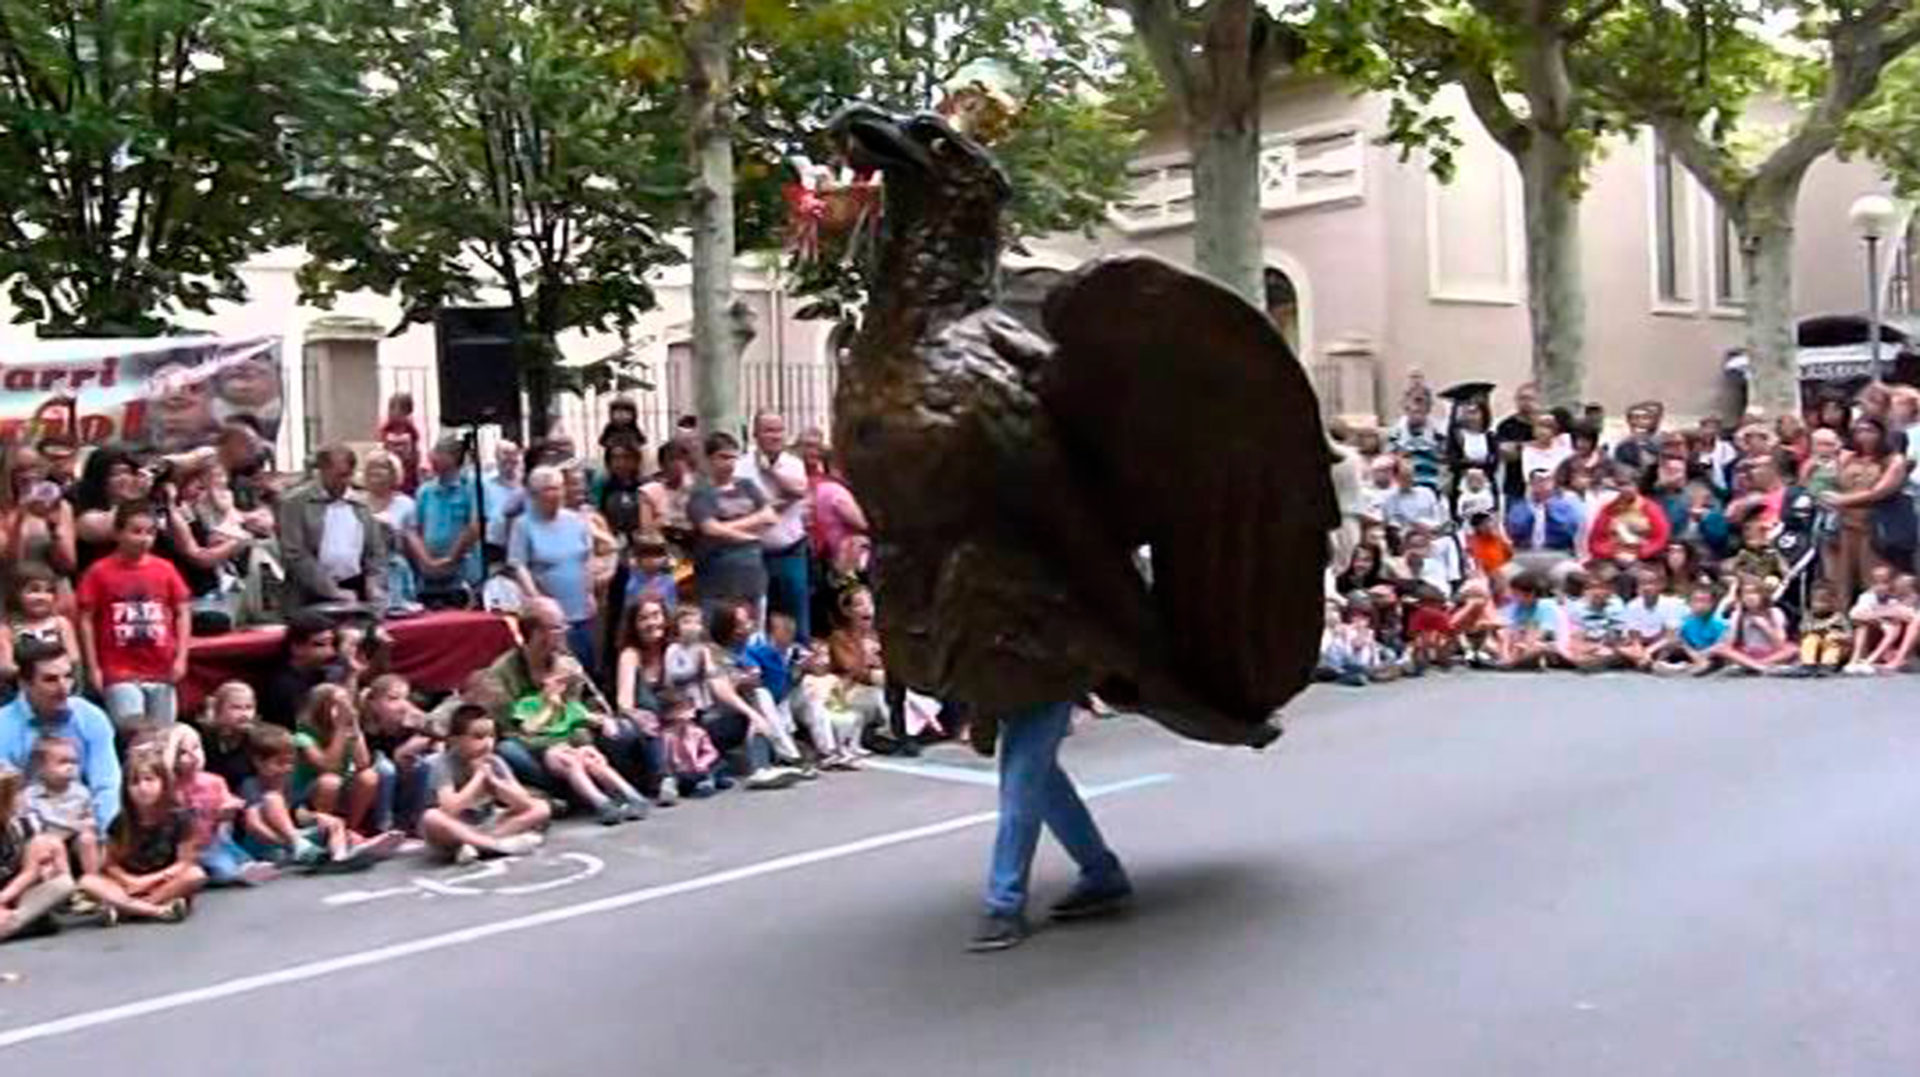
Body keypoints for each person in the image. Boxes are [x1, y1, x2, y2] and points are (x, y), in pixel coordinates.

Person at [969, 695, 1133, 952]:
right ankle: (1102, 872)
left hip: (1046, 682)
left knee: (1021, 783)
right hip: (1020, 687)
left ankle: (1004, 904)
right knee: (1042, 782)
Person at [75, 503, 192, 731]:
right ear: (118, 533)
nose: (144, 539)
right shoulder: (99, 572)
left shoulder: (165, 569)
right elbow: (86, 620)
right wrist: (94, 668)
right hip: (119, 670)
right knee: (132, 732)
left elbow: (182, 611)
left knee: (163, 734)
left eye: (150, 533)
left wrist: (181, 657)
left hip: (161, 668)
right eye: (136, 531)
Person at [505, 655, 649, 825]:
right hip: (542, 752)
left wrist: (606, 723)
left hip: (569, 748)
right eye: (558, 681)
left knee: (591, 759)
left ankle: (632, 796)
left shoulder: (571, 707)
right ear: (545, 679)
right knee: (566, 759)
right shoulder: (528, 703)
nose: (561, 688)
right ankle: (601, 803)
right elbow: (529, 729)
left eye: (566, 683)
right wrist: (550, 707)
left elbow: (594, 718)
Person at [0, 642, 121, 830]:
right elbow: (5, 798)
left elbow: (107, 786)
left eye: (68, 677)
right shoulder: (3, 725)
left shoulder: (90, 716)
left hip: (80, 822)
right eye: (51, 679)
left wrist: (103, 834)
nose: (64, 687)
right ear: (25, 684)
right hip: (23, 825)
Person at [78, 745, 202, 925]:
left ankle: (131, 910)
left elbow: (185, 862)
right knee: (88, 881)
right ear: (126, 789)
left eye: (149, 780)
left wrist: (150, 880)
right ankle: (156, 910)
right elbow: (110, 864)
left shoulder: (180, 818)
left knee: (195, 875)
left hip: (164, 882)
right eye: (135, 783)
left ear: (163, 783)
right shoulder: (120, 821)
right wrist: (130, 881)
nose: (143, 788)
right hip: (128, 885)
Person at [419, 704, 551, 862]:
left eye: (491, 736)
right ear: (456, 740)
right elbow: (450, 809)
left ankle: (479, 845)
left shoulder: (495, 761)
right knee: (431, 817)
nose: (488, 743)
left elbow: (524, 802)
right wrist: (479, 777)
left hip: (488, 824)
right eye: (479, 737)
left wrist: (496, 783)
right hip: (456, 829)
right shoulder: (442, 763)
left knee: (541, 807)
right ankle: (494, 845)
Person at [277, 444, 389, 613]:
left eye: (347, 475)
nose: (343, 482)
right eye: (338, 476)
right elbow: (295, 554)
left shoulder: (362, 504)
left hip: (355, 586)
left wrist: (374, 584)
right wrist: (331, 591)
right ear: (322, 471)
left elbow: (375, 551)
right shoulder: (295, 503)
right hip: (308, 593)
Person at [508, 466, 598, 671]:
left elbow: (586, 558)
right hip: (548, 619)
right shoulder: (523, 525)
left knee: (585, 667)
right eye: (549, 489)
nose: (556, 494)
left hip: (580, 611)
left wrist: (590, 592)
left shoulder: (576, 521)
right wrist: (537, 601)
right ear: (534, 495)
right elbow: (518, 565)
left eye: (559, 488)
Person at [737, 411, 815, 642]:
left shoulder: (793, 464)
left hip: (790, 548)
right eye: (768, 430)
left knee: (796, 608)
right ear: (755, 434)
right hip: (754, 551)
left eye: (779, 430)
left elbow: (799, 490)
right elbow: (744, 506)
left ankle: (800, 656)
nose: (775, 436)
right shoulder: (741, 467)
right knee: (758, 612)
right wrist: (777, 503)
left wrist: (770, 472)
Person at [165, 724, 274, 887]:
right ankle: (222, 873)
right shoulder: (170, 786)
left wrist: (228, 809)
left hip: (214, 841)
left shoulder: (214, 781)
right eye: (182, 753)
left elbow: (227, 809)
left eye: (196, 748)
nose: (193, 756)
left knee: (233, 855)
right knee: (224, 871)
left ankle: (241, 867)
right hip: (185, 848)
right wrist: (172, 742)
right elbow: (164, 770)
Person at [688, 432, 777, 624]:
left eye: (733, 457)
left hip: (753, 578)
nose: (729, 463)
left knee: (754, 636)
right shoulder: (701, 494)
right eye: (723, 457)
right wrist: (751, 528)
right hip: (717, 583)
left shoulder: (747, 486)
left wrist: (729, 528)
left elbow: (769, 516)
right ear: (710, 459)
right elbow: (710, 529)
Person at [1822, 417, 1912, 601]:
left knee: (1876, 583)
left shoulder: (1893, 460)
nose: (1863, 436)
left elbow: (1880, 491)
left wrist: (1844, 500)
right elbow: (1826, 481)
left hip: (1876, 531)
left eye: (1870, 431)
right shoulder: (1848, 458)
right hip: (1845, 529)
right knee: (1842, 584)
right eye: (1858, 431)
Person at [293, 684, 382, 835]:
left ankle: (351, 830)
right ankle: (322, 833)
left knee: (368, 777)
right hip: (309, 792)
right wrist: (340, 728)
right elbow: (329, 766)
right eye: (338, 704)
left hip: (342, 783)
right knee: (330, 781)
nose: (344, 709)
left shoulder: (346, 728)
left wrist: (354, 726)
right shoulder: (302, 736)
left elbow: (363, 763)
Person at [0, 763, 76, 942]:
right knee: (44, 922)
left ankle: (12, 924)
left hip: (15, 895)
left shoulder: (24, 824)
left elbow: (31, 872)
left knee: (63, 884)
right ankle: (17, 925)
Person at [414, 436, 484, 601]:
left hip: (463, 572)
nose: (432, 457)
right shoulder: (425, 491)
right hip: (430, 574)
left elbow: (475, 526)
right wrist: (427, 562)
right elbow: (418, 529)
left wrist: (452, 558)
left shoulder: (471, 487)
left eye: (439, 452)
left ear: (453, 457)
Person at [26, 736, 101, 875]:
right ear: (41, 767)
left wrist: (88, 825)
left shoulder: (82, 792)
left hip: (74, 841)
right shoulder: (31, 795)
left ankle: (93, 878)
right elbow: (34, 830)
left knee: (88, 839)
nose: (70, 767)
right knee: (48, 844)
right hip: (48, 844)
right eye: (63, 762)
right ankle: (65, 886)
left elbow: (89, 819)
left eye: (74, 762)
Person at [259, 611, 346, 728]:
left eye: (332, 644)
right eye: (320, 644)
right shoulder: (283, 686)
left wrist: (353, 674)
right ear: (297, 647)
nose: (330, 652)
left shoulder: (319, 672)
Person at [0, 562, 80, 687]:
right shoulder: (8, 630)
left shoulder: (60, 624)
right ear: (16, 594)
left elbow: (74, 662)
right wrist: (36, 675)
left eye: (48, 591)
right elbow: (5, 667)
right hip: (21, 692)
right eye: (34, 590)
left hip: (62, 688)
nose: (41, 597)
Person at [1714, 577, 1796, 674]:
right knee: (1720, 648)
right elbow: (1730, 644)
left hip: (1770, 652)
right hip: (1747, 653)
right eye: (1746, 594)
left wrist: (1765, 626)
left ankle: (1756, 665)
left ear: (1762, 596)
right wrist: (1736, 617)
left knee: (1792, 649)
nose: (1750, 597)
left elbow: (1780, 643)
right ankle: (1758, 666)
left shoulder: (1774, 613)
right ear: (1741, 597)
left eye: (1755, 593)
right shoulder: (1738, 615)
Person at [1505, 469, 1583, 568]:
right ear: (1531, 484)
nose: (1543, 484)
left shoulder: (1567, 505)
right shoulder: (1520, 506)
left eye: (1547, 480)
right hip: (1524, 553)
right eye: (1539, 480)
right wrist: (1533, 513)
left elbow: (1570, 531)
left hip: (1558, 554)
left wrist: (1550, 509)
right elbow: (1513, 532)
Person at [1618, 567, 1685, 671]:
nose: (1646, 587)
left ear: (1661, 585)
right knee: (1621, 648)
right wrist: (1639, 650)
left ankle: (1652, 662)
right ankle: (1646, 662)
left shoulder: (1672, 604)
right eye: (1642, 584)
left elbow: (1670, 636)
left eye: (1651, 583)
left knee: (1674, 643)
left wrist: (1648, 651)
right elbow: (1634, 636)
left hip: (1663, 645)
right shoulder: (1632, 605)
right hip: (1643, 644)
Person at [1657, 586, 1730, 676]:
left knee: (1715, 658)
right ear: (1690, 603)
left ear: (1712, 604)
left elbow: (1722, 645)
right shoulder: (1685, 622)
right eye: (1696, 601)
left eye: (1704, 601)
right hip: (1691, 652)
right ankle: (1674, 664)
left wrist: (1702, 654)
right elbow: (1681, 642)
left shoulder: (1718, 623)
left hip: (1711, 653)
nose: (1700, 605)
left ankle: (1695, 666)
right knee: (1673, 640)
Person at [1559, 574, 1626, 671]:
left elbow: (1615, 638)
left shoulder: (1616, 607)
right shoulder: (1577, 609)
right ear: (1585, 592)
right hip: (1586, 645)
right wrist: (1584, 649)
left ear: (1609, 591)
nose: (1597, 592)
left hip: (1607, 646)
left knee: (1613, 652)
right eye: (1592, 588)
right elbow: (1576, 637)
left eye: (1602, 588)